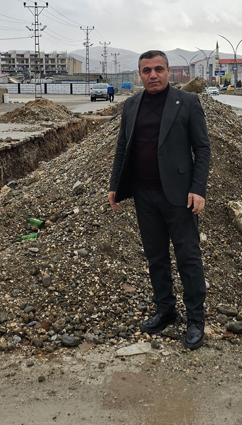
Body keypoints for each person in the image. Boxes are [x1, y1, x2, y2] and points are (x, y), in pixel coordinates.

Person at [108, 50, 211, 349]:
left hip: (179, 196)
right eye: (146, 70)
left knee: (188, 258)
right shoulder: (131, 105)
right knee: (156, 258)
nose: (152, 75)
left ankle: (195, 320)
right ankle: (165, 311)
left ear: (169, 72)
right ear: (139, 74)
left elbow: (202, 149)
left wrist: (198, 188)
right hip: (144, 195)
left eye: (158, 69)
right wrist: (115, 185)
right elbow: (122, 148)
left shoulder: (188, 102)